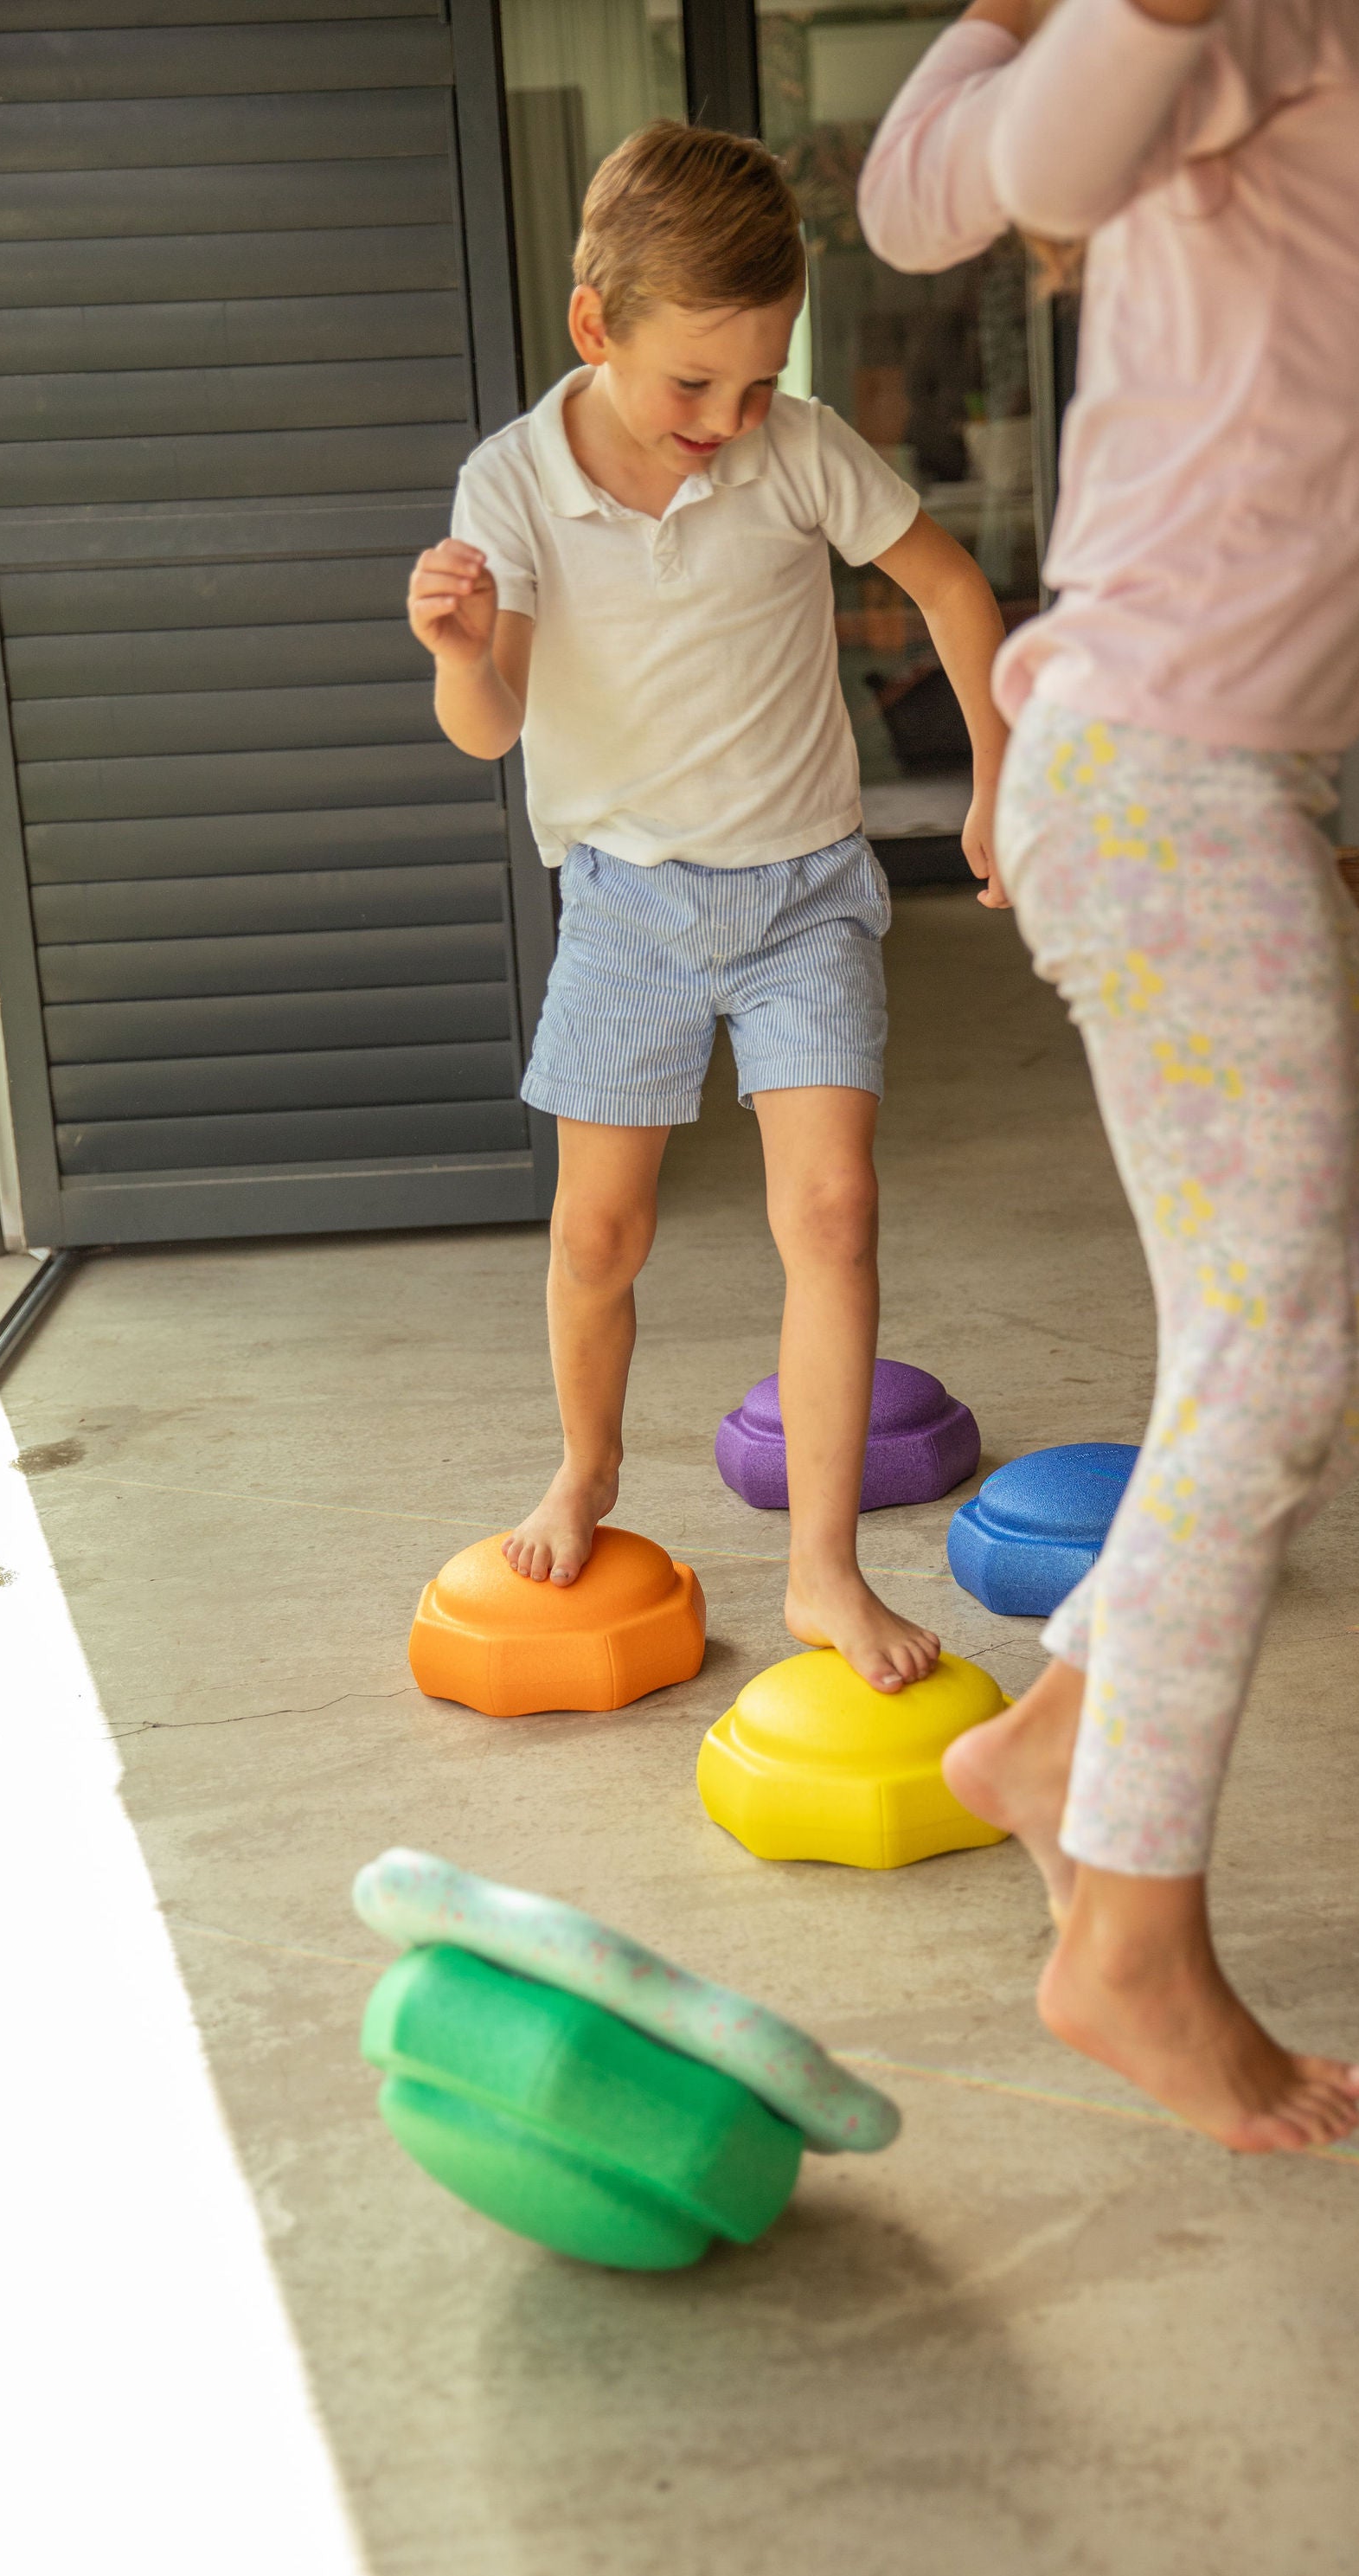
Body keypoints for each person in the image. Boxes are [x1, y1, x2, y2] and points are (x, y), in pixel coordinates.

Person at [858, 0, 1359, 2148]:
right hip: (1161, 780)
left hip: (1233, 788)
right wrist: (1051, 20)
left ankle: (1055, 1730)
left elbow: (962, 184)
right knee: (1266, 1352)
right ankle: (1130, 1931)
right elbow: (963, 191)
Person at [408, 123, 1013, 1693]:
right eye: (696, 384)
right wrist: (461, 653)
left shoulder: (798, 449)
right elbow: (489, 725)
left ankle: (823, 1570)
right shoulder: (512, 484)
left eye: (758, 383)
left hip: (807, 893)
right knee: (599, 1233)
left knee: (833, 1212)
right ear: (594, 325)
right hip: (628, 909)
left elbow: (953, 589)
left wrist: (997, 778)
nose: (729, 422)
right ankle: (587, 1468)